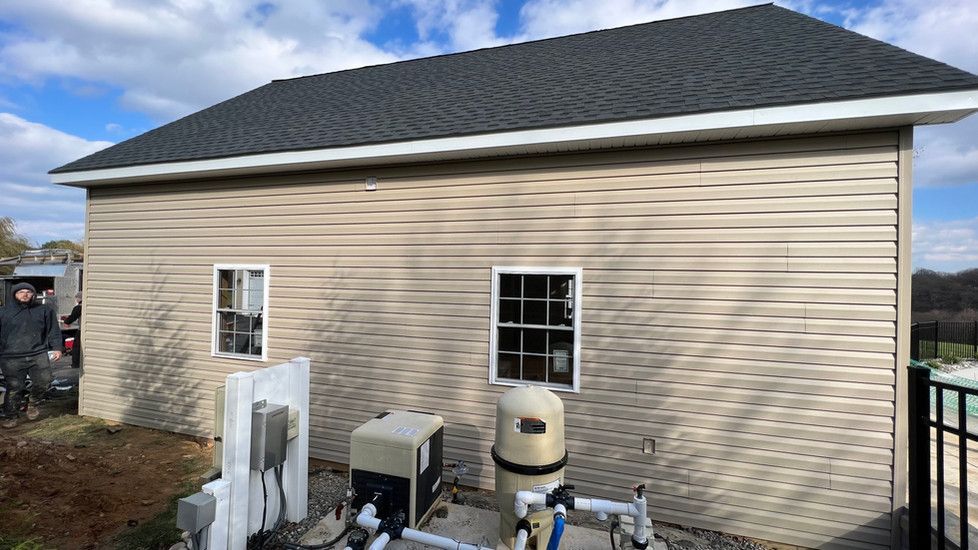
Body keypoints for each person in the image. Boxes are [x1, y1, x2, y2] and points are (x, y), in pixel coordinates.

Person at [0, 283, 63, 428]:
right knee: (15, 387)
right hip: (11, 357)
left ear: (33, 294)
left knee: (45, 381)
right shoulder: (3, 312)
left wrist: (57, 348)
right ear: (14, 295)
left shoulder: (44, 310)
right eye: (21, 292)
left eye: (28, 292)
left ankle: (33, 402)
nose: (25, 294)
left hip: (38, 354)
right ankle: (11, 416)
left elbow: (53, 331)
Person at [63, 292, 82, 369]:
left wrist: (66, 321)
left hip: (81, 330)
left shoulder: (78, 307)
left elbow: (71, 318)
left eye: (76, 298)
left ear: (79, 298)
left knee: (76, 347)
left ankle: (75, 364)